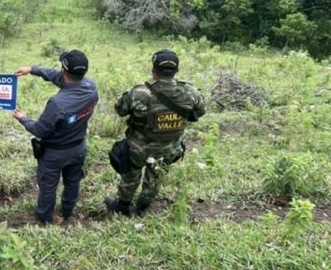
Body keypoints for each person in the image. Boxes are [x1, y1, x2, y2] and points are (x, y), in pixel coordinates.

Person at [105, 49, 207, 217]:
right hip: (170, 148)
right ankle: (143, 206)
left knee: (131, 175)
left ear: (153, 70)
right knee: (156, 176)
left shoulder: (139, 92)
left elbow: (120, 110)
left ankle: (122, 206)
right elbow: (200, 112)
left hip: (138, 148)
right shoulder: (190, 92)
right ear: (177, 70)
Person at [13, 50, 99, 225]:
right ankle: (67, 211)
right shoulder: (91, 88)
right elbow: (58, 76)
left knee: (48, 187)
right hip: (78, 147)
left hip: (54, 153)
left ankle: (45, 217)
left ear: (64, 70)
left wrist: (23, 119)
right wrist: (32, 69)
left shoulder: (57, 103)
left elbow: (40, 130)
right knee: (73, 182)